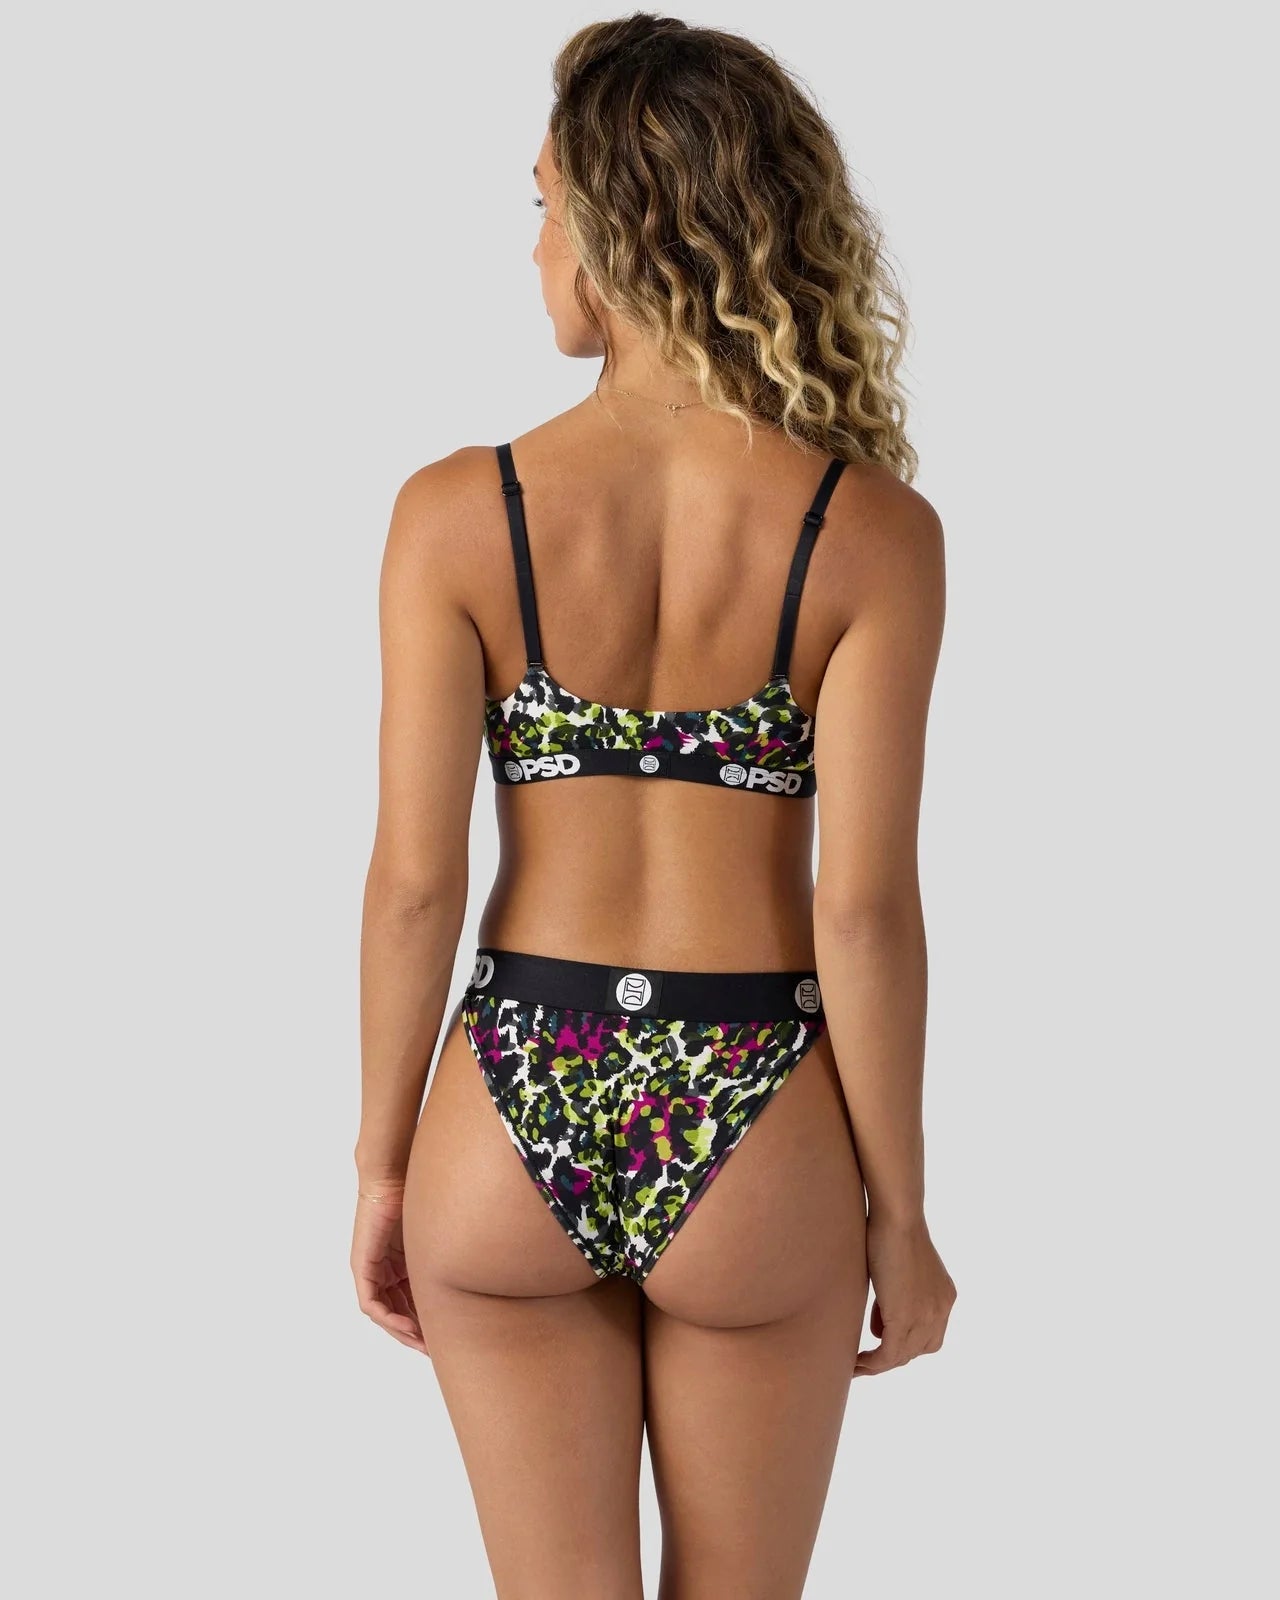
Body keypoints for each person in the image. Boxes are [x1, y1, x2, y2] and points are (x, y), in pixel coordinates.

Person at [351, 14, 956, 1598]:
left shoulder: (457, 514)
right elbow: (860, 912)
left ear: (623, 225)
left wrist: (383, 1169)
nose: (533, 247)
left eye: (544, 203)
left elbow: (415, 886)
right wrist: (901, 1213)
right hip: (756, 1097)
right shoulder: (871, 533)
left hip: (514, 1092)